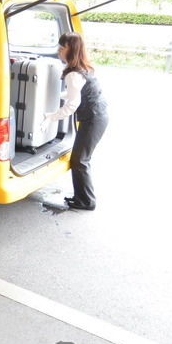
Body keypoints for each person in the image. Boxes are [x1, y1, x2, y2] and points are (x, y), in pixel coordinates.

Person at [40, 32, 109, 211]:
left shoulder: (73, 75)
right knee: (80, 159)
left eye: (62, 48)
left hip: (93, 119)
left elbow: (72, 105)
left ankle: (86, 201)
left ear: (71, 51)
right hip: (97, 116)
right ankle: (82, 197)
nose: (59, 51)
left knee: (80, 160)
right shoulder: (82, 68)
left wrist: (52, 116)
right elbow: (76, 96)